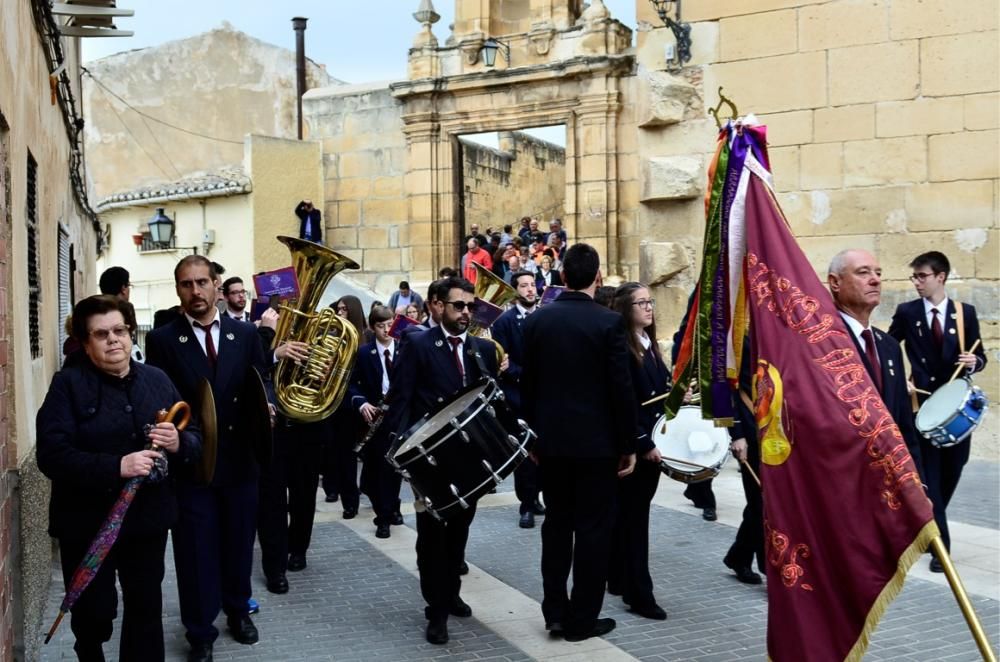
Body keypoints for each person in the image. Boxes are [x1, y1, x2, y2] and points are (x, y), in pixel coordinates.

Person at [37, 295, 202, 662]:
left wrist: (180, 442)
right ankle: (90, 650)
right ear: (85, 342)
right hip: (86, 524)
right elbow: (52, 455)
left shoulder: (157, 380)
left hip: (147, 520)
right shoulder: (67, 385)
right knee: (94, 613)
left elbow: (197, 437)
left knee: (145, 610)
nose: (113, 340)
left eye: (119, 330)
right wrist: (117, 466)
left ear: (130, 333)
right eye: (101, 334)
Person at [145, 256, 273, 662]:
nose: (195, 292)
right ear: (178, 289)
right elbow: (160, 398)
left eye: (202, 282)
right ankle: (200, 631)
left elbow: (262, 380)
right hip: (193, 464)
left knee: (238, 542)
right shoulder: (163, 340)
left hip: (240, 460)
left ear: (217, 285)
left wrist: (268, 404)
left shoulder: (245, 333)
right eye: (186, 284)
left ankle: (238, 611)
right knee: (195, 550)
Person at [521, 243, 639, 642]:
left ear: (563, 276)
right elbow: (620, 388)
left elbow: (529, 385)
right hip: (597, 447)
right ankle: (582, 618)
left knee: (556, 527)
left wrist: (534, 437)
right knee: (593, 532)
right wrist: (628, 444)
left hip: (551, 445)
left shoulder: (538, 321)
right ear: (597, 276)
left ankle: (554, 611)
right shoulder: (608, 323)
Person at [376, 276, 502, 645]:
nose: (466, 313)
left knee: (459, 530)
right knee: (433, 537)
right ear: (437, 305)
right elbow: (401, 398)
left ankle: (451, 591)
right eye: (458, 305)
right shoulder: (417, 343)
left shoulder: (481, 348)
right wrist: (398, 451)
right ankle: (436, 610)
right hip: (427, 459)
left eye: (470, 306)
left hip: (468, 458)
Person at [888, 251, 987, 572]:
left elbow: (979, 354)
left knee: (952, 471)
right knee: (928, 478)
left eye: (922, 276)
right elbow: (888, 346)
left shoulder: (964, 313)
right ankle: (940, 548)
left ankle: (925, 521)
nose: (916, 282)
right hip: (922, 408)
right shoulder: (907, 312)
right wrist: (897, 379)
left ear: (940, 277)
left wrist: (976, 362)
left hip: (955, 411)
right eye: (914, 277)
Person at [827, 249, 922, 473]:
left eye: (878, 273)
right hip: (842, 478)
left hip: (888, 481)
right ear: (835, 283)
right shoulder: (823, 342)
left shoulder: (888, 346)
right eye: (863, 272)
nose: (875, 280)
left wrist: (919, 484)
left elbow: (903, 425)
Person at [606, 283, 668, 620]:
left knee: (629, 518)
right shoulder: (623, 347)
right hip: (638, 446)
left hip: (652, 443)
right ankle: (639, 593)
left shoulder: (649, 344)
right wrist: (643, 442)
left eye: (650, 301)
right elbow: (625, 400)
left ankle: (617, 577)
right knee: (634, 523)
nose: (648, 307)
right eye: (641, 302)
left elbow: (657, 392)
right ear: (625, 308)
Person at [492, 271, 545, 528]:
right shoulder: (504, 322)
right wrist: (523, 376)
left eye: (532, 285)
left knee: (545, 448)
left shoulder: (546, 316)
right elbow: (503, 361)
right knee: (524, 453)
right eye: (524, 286)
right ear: (515, 291)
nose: (529, 289)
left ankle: (536, 497)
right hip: (519, 395)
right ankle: (526, 504)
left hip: (545, 397)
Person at [350, 305, 403, 538]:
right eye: (380, 326)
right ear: (373, 328)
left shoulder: (405, 349)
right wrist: (361, 403)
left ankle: (392, 506)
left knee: (396, 467)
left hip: (399, 416)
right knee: (380, 468)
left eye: (389, 324)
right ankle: (383, 517)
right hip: (376, 418)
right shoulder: (364, 353)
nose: (386, 330)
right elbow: (350, 383)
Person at [721, 340, 765, 585]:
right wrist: (736, 433)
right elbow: (724, 386)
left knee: (767, 502)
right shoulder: (738, 333)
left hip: (782, 432)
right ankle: (774, 570)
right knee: (761, 503)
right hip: (751, 431)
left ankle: (739, 555)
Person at [320, 296, 367, 511]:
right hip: (329, 401)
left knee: (347, 454)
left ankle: (350, 501)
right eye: (338, 309)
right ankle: (331, 488)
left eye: (344, 310)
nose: (340, 313)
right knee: (330, 448)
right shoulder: (333, 334)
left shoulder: (363, 339)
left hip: (350, 404)